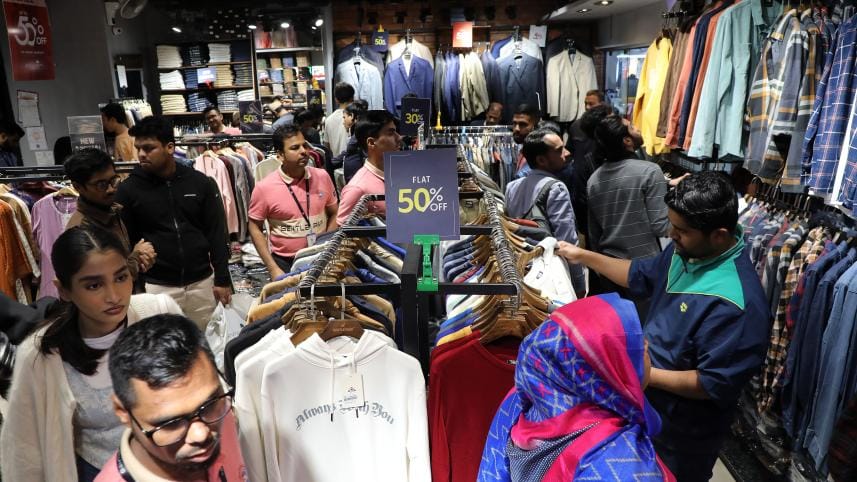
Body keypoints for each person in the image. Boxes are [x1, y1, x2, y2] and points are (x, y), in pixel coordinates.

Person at [556, 171, 770, 482]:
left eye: (681, 230)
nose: (671, 234)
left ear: (719, 235)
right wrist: (583, 256)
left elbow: (713, 383)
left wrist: (646, 374)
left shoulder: (738, 303)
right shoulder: (688, 251)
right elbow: (638, 273)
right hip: (645, 404)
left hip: (682, 434)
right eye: (672, 225)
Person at [0, 226, 182, 482]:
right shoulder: (42, 356)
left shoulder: (160, 314)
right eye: (94, 285)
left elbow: (208, 392)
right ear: (63, 290)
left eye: (121, 277)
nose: (113, 296)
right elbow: (24, 455)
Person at [478, 294, 675, 481]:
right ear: (603, 373)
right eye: (635, 345)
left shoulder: (520, 399)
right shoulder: (622, 462)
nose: (646, 345)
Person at [115, 116, 232, 330]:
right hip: (157, 287)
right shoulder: (128, 190)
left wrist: (223, 279)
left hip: (201, 283)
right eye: (138, 148)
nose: (141, 154)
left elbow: (216, 232)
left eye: (149, 148)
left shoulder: (199, 182)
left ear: (170, 147)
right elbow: (125, 242)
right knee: (164, 346)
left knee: (207, 342)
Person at [96, 314, 245, 481]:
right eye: (171, 423)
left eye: (209, 404)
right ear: (123, 412)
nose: (201, 434)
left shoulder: (221, 414)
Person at [586, 114, 670, 313]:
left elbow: (594, 234)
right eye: (632, 127)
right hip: (643, 267)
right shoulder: (650, 171)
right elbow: (661, 226)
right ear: (627, 141)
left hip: (609, 266)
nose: (637, 128)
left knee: (621, 324)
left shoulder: (594, 180)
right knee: (646, 324)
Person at [248, 124, 338, 277]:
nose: (304, 151)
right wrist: (272, 268)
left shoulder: (322, 176)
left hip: (320, 257)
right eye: (295, 148)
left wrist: (326, 244)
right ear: (280, 155)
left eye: (304, 145)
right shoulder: (264, 188)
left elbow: (335, 212)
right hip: (285, 263)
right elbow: (254, 226)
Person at [505, 128, 584, 295]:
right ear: (541, 160)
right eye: (559, 150)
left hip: (519, 269)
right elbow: (567, 239)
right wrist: (578, 282)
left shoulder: (511, 187)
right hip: (551, 276)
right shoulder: (556, 188)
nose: (567, 153)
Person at [64, 148, 156, 279]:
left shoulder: (111, 210)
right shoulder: (81, 230)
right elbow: (105, 281)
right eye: (101, 185)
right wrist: (136, 258)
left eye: (114, 180)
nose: (111, 189)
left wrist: (140, 258)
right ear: (77, 187)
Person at [336, 110, 402, 225]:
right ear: (371, 142)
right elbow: (344, 232)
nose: (399, 138)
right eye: (391, 133)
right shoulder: (357, 189)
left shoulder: (401, 173)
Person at [324, 82, 355, 157]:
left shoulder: (328, 120)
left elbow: (327, 146)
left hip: (337, 161)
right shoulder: (356, 116)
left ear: (336, 100)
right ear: (352, 98)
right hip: (355, 161)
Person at [511, 104, 539, 178]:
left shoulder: (538, 157)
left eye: (522, 124)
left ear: (535, 126)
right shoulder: (523, 151)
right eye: (514, 123)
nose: (516, 129)